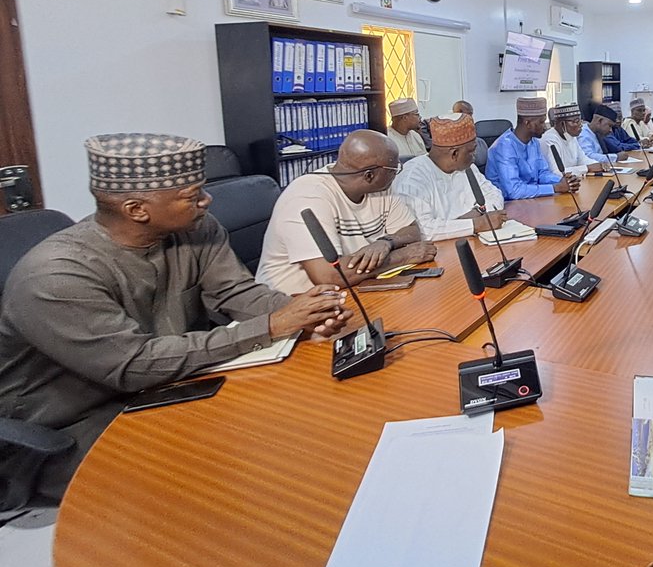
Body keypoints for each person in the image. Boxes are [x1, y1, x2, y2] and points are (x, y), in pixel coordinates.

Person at [0, 133, 351, 504]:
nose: (207, 200)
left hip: (167, 381)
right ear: (137, 210)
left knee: (295, 430)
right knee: (214, 478)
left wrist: (306, 314)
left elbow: (237, 294)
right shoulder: (54, 276)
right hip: (75, 419)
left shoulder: (198, 228)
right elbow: (134, 364)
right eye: (192, 196)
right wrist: (272, 326)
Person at [256, 130, 433, 294]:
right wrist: (404, 256)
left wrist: (386, 242)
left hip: (352, 290)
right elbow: (330, 276)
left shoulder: (380, 186)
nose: (397, 173)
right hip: (291, 305)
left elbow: (411, 230)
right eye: (394, 170)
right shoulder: (308, 197)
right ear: (369, 175)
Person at [392, 114, 507, 241]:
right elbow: (423, 230)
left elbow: (495, 195)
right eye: (472, 151)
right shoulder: (411, 178)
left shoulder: (467, 168)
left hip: (473, 242)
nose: (475, 155)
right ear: (454, 153)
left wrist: (477, 212)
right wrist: (476, 224)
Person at [486, 97, 581, 200]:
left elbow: (542, 174)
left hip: (531, 200)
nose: (545, 127)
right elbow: (514, 191)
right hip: (508, 205)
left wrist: (564, 181)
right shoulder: (504, 147)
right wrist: (556, 187)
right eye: (541, 122)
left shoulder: (534, 142)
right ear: (527, 123)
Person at [539, 103, 602, 176]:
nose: (580, 125)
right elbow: (557, 172)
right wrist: (587, 168)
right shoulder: (549, 140)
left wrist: (599, 165)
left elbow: (582, 159)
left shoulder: (571, 136)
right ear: (562, 124)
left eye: (580, 121)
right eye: (576, 121)